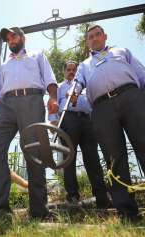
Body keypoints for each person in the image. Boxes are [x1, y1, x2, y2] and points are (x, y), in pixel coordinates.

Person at [73, 25, 145, 223]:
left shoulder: (121, 51)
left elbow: (140, 70)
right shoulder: (83, 65)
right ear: (87, 42)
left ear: (105, 36)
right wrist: (73, 91)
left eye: (98, 34)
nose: (95, 38)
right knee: (114, 160)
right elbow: (78, 82)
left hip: (132, 97)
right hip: (101, 107)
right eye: (91, 37)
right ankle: (128, 215)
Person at [0, 27, 59, 232]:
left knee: (33, 152)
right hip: (6, 105)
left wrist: (52, 98)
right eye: (7, 38)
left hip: (31, 100)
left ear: (23, 37)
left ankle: (39, 210)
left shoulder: (37, 55)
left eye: (13, 35)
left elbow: (50, 79)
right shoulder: (5, 64)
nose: (10, 39)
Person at [57, 60, 110, 208]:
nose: (71, 72)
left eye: (74, 69)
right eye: (68, 69)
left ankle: (101, 197)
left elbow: (91, 106)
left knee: (92, 158)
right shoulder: (60, 87)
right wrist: (55, 124)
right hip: (68, 121)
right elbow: (54, 107)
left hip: (87, 121)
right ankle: (72, 196)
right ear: (64, 71)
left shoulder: (85, 88)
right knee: (69, 160)